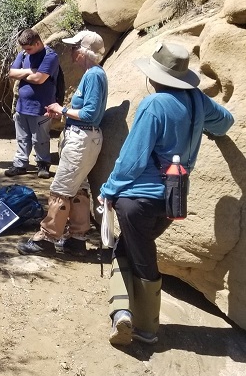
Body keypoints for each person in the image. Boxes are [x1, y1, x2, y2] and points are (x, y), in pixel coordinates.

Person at [98, 42, 233, 346]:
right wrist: (204, 129)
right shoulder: (198, 102)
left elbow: (131, 160)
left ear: (154, 76)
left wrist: (107, 190)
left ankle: (145, 328)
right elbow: (225, 123)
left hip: (136, 201)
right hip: (173, 200)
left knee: (141, 255)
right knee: (129, 248)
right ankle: (121, 312)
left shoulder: (154, 104)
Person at [17, 31, 108, 256]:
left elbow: (90, 112)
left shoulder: (93, 75)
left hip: (82, 138)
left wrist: (62, 109)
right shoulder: (94, 74)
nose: (71, 52)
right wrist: (64, 113)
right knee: (78, 188)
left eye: (74, 48)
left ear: (84, 51)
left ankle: (46, 238)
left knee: (61, 187)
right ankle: (77, 239)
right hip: (85, 137)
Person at [6, 29, 60, 179]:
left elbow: (39, 79)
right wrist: (30, 70)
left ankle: (43, 164)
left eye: (29, 48)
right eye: (24, 49)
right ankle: (20, 164)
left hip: (41, 107)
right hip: (22, 106)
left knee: (40, 139)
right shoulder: (23, 54)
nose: (27, 52)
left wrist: (22, 75)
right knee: (22, 137)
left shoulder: (50, 56)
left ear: (38, 43)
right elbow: (11, 73)